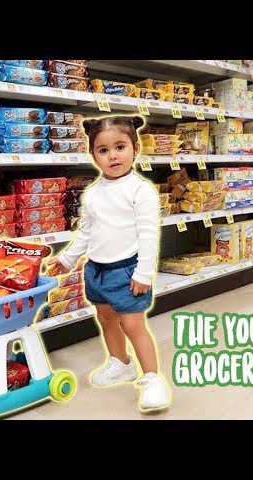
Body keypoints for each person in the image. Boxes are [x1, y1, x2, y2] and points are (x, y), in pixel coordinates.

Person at [46, 114, 171, 411]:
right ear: (93, 156)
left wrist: (143, 273)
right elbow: (86, 233)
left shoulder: (140, 191)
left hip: (127, 270)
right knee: (106, 319)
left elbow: (149, 236)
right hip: (96, 269)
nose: (113, 155)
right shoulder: (92, 194)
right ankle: (120, 362)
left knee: (133, 325)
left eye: (120, 147)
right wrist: (67, 259)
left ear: (135, 148)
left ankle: (152, 379)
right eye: (103, 150)